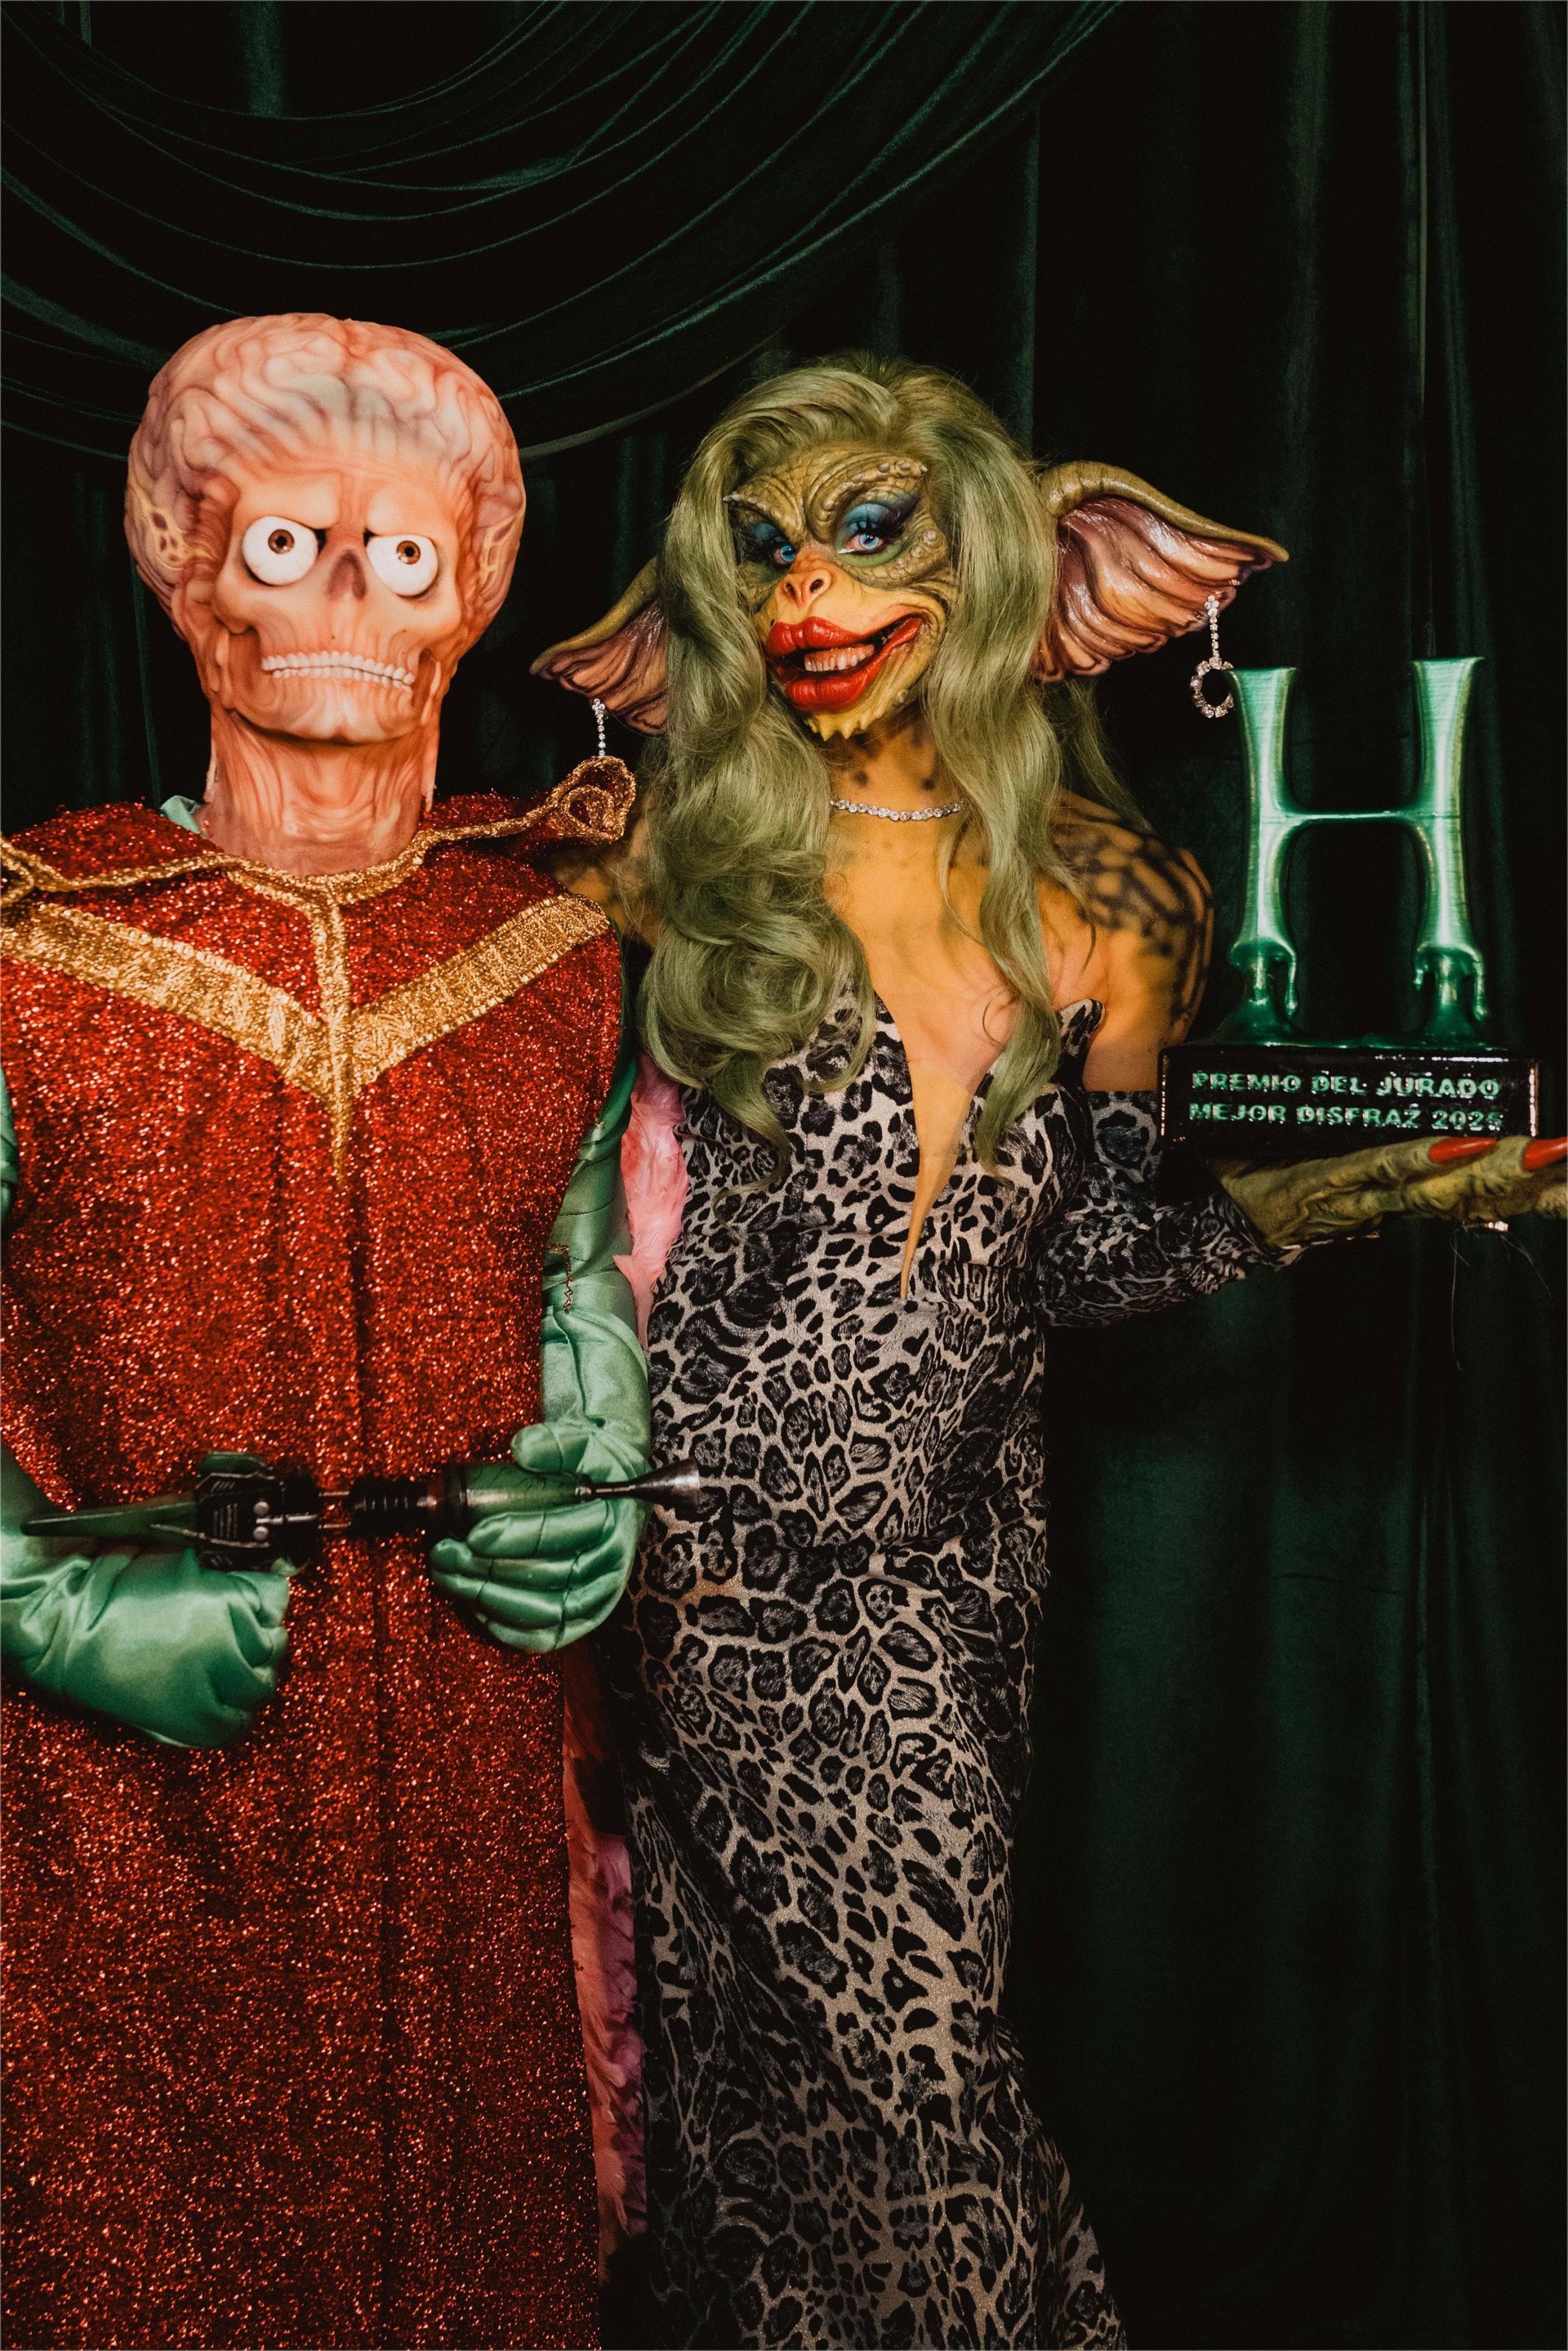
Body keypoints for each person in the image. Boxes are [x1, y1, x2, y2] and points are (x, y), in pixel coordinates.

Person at [536, 354, 1565, 2349]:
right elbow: (554, 1212)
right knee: (822, 2090)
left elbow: (1077, 1258)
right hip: (700, 1574)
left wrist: (1348, 1193)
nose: (807, 595)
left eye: (867, 534)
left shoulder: (1114, 897)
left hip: (943, 1594)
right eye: (764, 550)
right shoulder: (669, 867)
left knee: (883, 2078)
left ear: (1005, 565)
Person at [0, 314, 647, 2350]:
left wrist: (592, 1461)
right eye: (290, 542)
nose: (351, 592)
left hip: (459, 1771)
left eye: (406, 552)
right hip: (127, 1808)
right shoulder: (36, 946)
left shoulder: (550, 941)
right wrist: (36, 1587)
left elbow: (575, 1260)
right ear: (187, 570)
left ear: (470, 605)